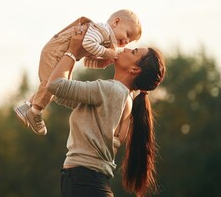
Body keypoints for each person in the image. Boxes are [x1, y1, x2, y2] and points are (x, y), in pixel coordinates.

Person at [45, 34, 166, 196]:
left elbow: (55, 85)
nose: (127, 48)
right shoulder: (123, 96)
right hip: (88, 182)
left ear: (135, 69)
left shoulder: (111, 90)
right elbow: (62, 94)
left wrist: (73, 51)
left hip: (84, 182)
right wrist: (75, 56)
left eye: (134, 51)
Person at [14, 9, 142, 135]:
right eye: (128, 35)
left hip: (61, 55)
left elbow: (87, 61)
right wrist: (107, 53)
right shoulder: (102, 30)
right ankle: (35, 111)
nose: (126, 42)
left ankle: (26, 107)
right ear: (116, 22)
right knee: (51, 85)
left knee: (53, 85)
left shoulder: (104, 41)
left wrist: (101, 63)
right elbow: (87, 43)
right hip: (55, 52)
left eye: (129, 42)